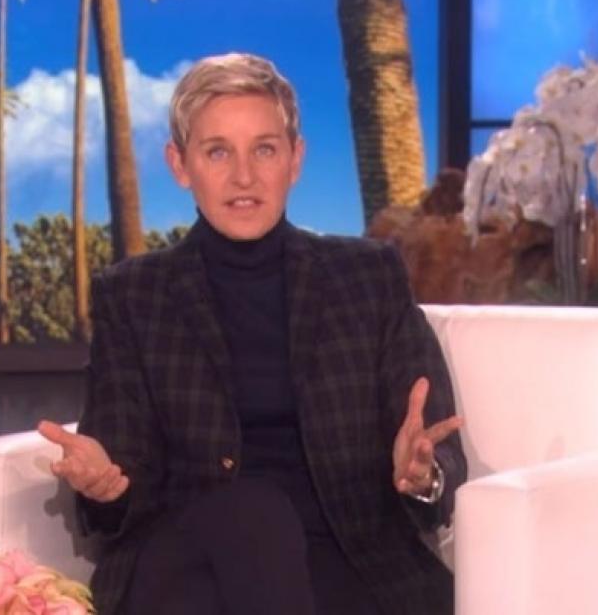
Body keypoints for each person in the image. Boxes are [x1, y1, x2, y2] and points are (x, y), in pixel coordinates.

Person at [38, 52, 466, 615]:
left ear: (295, 159)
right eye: (218, 152)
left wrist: (423, 474)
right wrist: (104, 485)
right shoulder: (134, 295)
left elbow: (434, 446)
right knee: (251, 513)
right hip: (187, 560)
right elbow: (124, 469)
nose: (244, 177)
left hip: (348, 558)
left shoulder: (368, 276)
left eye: (264, 149)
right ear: (180, 165)